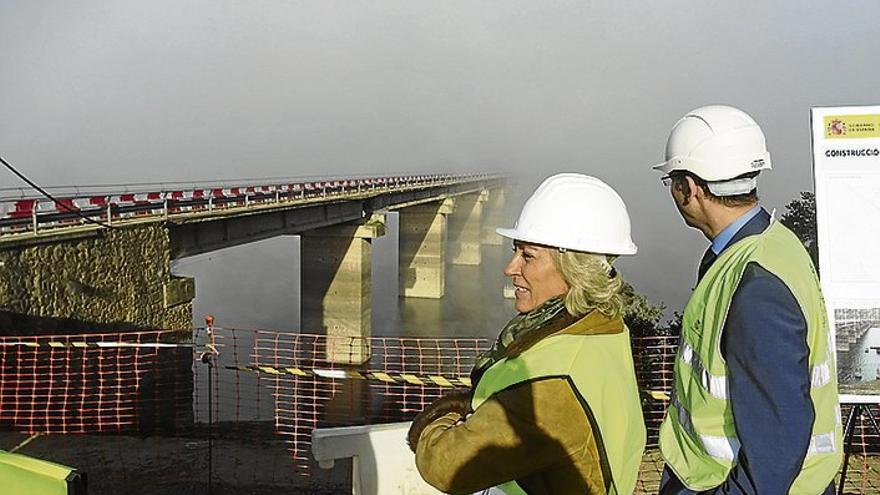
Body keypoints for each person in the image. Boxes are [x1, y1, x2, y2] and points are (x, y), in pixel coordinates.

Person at [407, 173, 646, 495]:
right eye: (515, 251)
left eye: (528, 255)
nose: (509, 268)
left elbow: (445, 466)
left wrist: (441, 417)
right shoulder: (602, 328)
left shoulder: (554, 384)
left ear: (575, 267)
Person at [653, 105, 843, 494]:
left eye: (672, 180)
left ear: (689, 188)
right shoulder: (774, 245)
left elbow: (774, 451)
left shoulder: (755, 286)